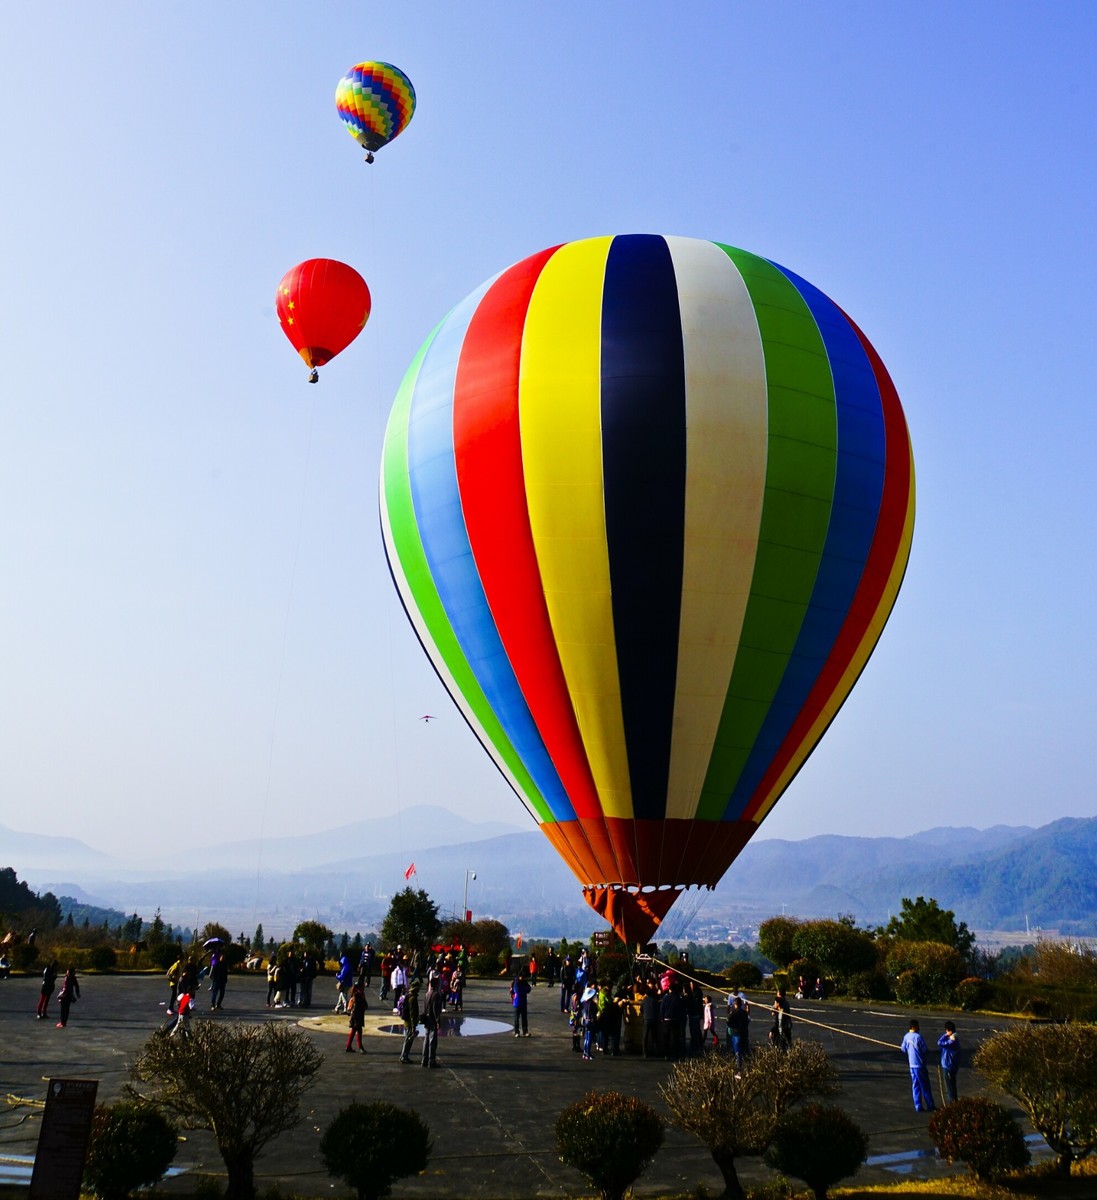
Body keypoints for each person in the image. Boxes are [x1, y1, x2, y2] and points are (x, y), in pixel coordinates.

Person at [901, 1019, 936, 1112]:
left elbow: (903, 1049)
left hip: (911, 1065)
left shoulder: (906, 1036)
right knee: (925, 1086)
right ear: (914, 1027)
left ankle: (918, 1106)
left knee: (915, 1085)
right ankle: (930, 1105)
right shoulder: (918, 1037)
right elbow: (924, 1050)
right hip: (920, 1065)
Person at [421, 974, 444, 1068]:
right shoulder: (436, 995)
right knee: (432, 1041)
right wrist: (438, 1020)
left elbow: (424, 1008)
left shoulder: (427, 994)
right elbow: (435, 1009)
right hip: (432, 1020)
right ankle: (431, 1061)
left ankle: (424, 1060)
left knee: (426, 1040)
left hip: (426, 1019)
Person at [399, 978, 421, 1063]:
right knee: (408, 1040)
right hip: (409, 1022)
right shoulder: (412, 999)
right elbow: (412, 1013)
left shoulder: (408, 996)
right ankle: (404, 1056)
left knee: (408, 1039)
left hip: (406, 1022)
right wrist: (413, 1026)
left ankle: (404, 1056)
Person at [937, 1021, 960, 1102]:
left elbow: (939, 1042)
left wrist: (946, 1035)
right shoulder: (954, 1038)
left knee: (950, 1088)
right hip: (952, 1065)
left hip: (948, 1066)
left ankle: (952, 1104)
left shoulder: (951, 1041)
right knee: (952, 1086)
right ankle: (954, 1103)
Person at [727, 995, 750, 1072]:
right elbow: (747, 1022)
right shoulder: (744, 1013)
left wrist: (732, 1026)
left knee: (737, 1051)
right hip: (744, 1033)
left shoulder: (733, 1012)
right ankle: (746, 1067)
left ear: (735, 1004)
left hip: (736, 1033)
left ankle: (738, 1068)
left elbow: (728, 1021)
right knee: (744, 1050)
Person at [345, 982, 367, 1053]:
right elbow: (362, 1006)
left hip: (355, 1016)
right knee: (359, 1031)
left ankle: (348, 1046)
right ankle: (360, 1047)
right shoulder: (358, 995)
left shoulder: (356, 994)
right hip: (357, 1016)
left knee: (353, 1031)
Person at [510, 970, 531, 1037]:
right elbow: (517, 991)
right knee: (516, 1018)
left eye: (522, 977)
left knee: (524, 1018)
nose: (521, 978)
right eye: (520, 977)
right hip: (517, 1003)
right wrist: (524, 990)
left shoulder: (524, 982)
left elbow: (529, 989)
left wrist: (524, 990)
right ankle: (517, 1032)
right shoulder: (516, 983)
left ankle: (525, 1031)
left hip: (523, 1003)